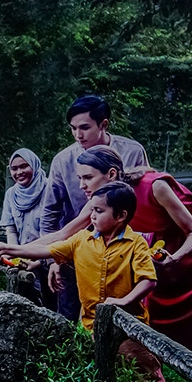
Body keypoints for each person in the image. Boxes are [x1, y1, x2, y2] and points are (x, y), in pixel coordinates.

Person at [27, 145, 192, 382]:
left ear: (110, 174)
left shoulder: (155, 187)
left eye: (87, 177)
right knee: (148, 323)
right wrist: (15, 250)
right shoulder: (102, 201)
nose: (81, 185)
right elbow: (65, 234)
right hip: (160, 249)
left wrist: (175, 258)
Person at [0, 180, 165, 382]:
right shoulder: (81, 239)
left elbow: (148, 279)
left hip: (128, 328)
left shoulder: (136, 243)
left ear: (121, 216)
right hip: (90, 326)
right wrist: (7, 249)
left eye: (99, 210)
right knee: (96, 377)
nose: (92, 215)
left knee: (144, 377)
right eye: (92, 209)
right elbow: (45, 250)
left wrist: (124, 301)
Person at [39, 95, 148, 321]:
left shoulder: (132, 152)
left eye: (85, 127)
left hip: (121, 253)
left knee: (123, 320)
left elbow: (144, 199)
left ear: (104, 124)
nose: (78, 135)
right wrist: (53, 261)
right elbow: (50, 214)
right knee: (70, 321)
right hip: (76, 250)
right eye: (73, 128)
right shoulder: (62, 161)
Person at [0, 147, 46, 245]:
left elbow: (57, 230)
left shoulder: (51, 189)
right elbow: (11, 231)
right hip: (22, 255)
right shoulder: (11, 194)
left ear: (34, 165)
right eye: (14, 169)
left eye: (24, 166)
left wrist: (43, 259)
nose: (19, 172)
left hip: (49, 255)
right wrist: (16, 257)